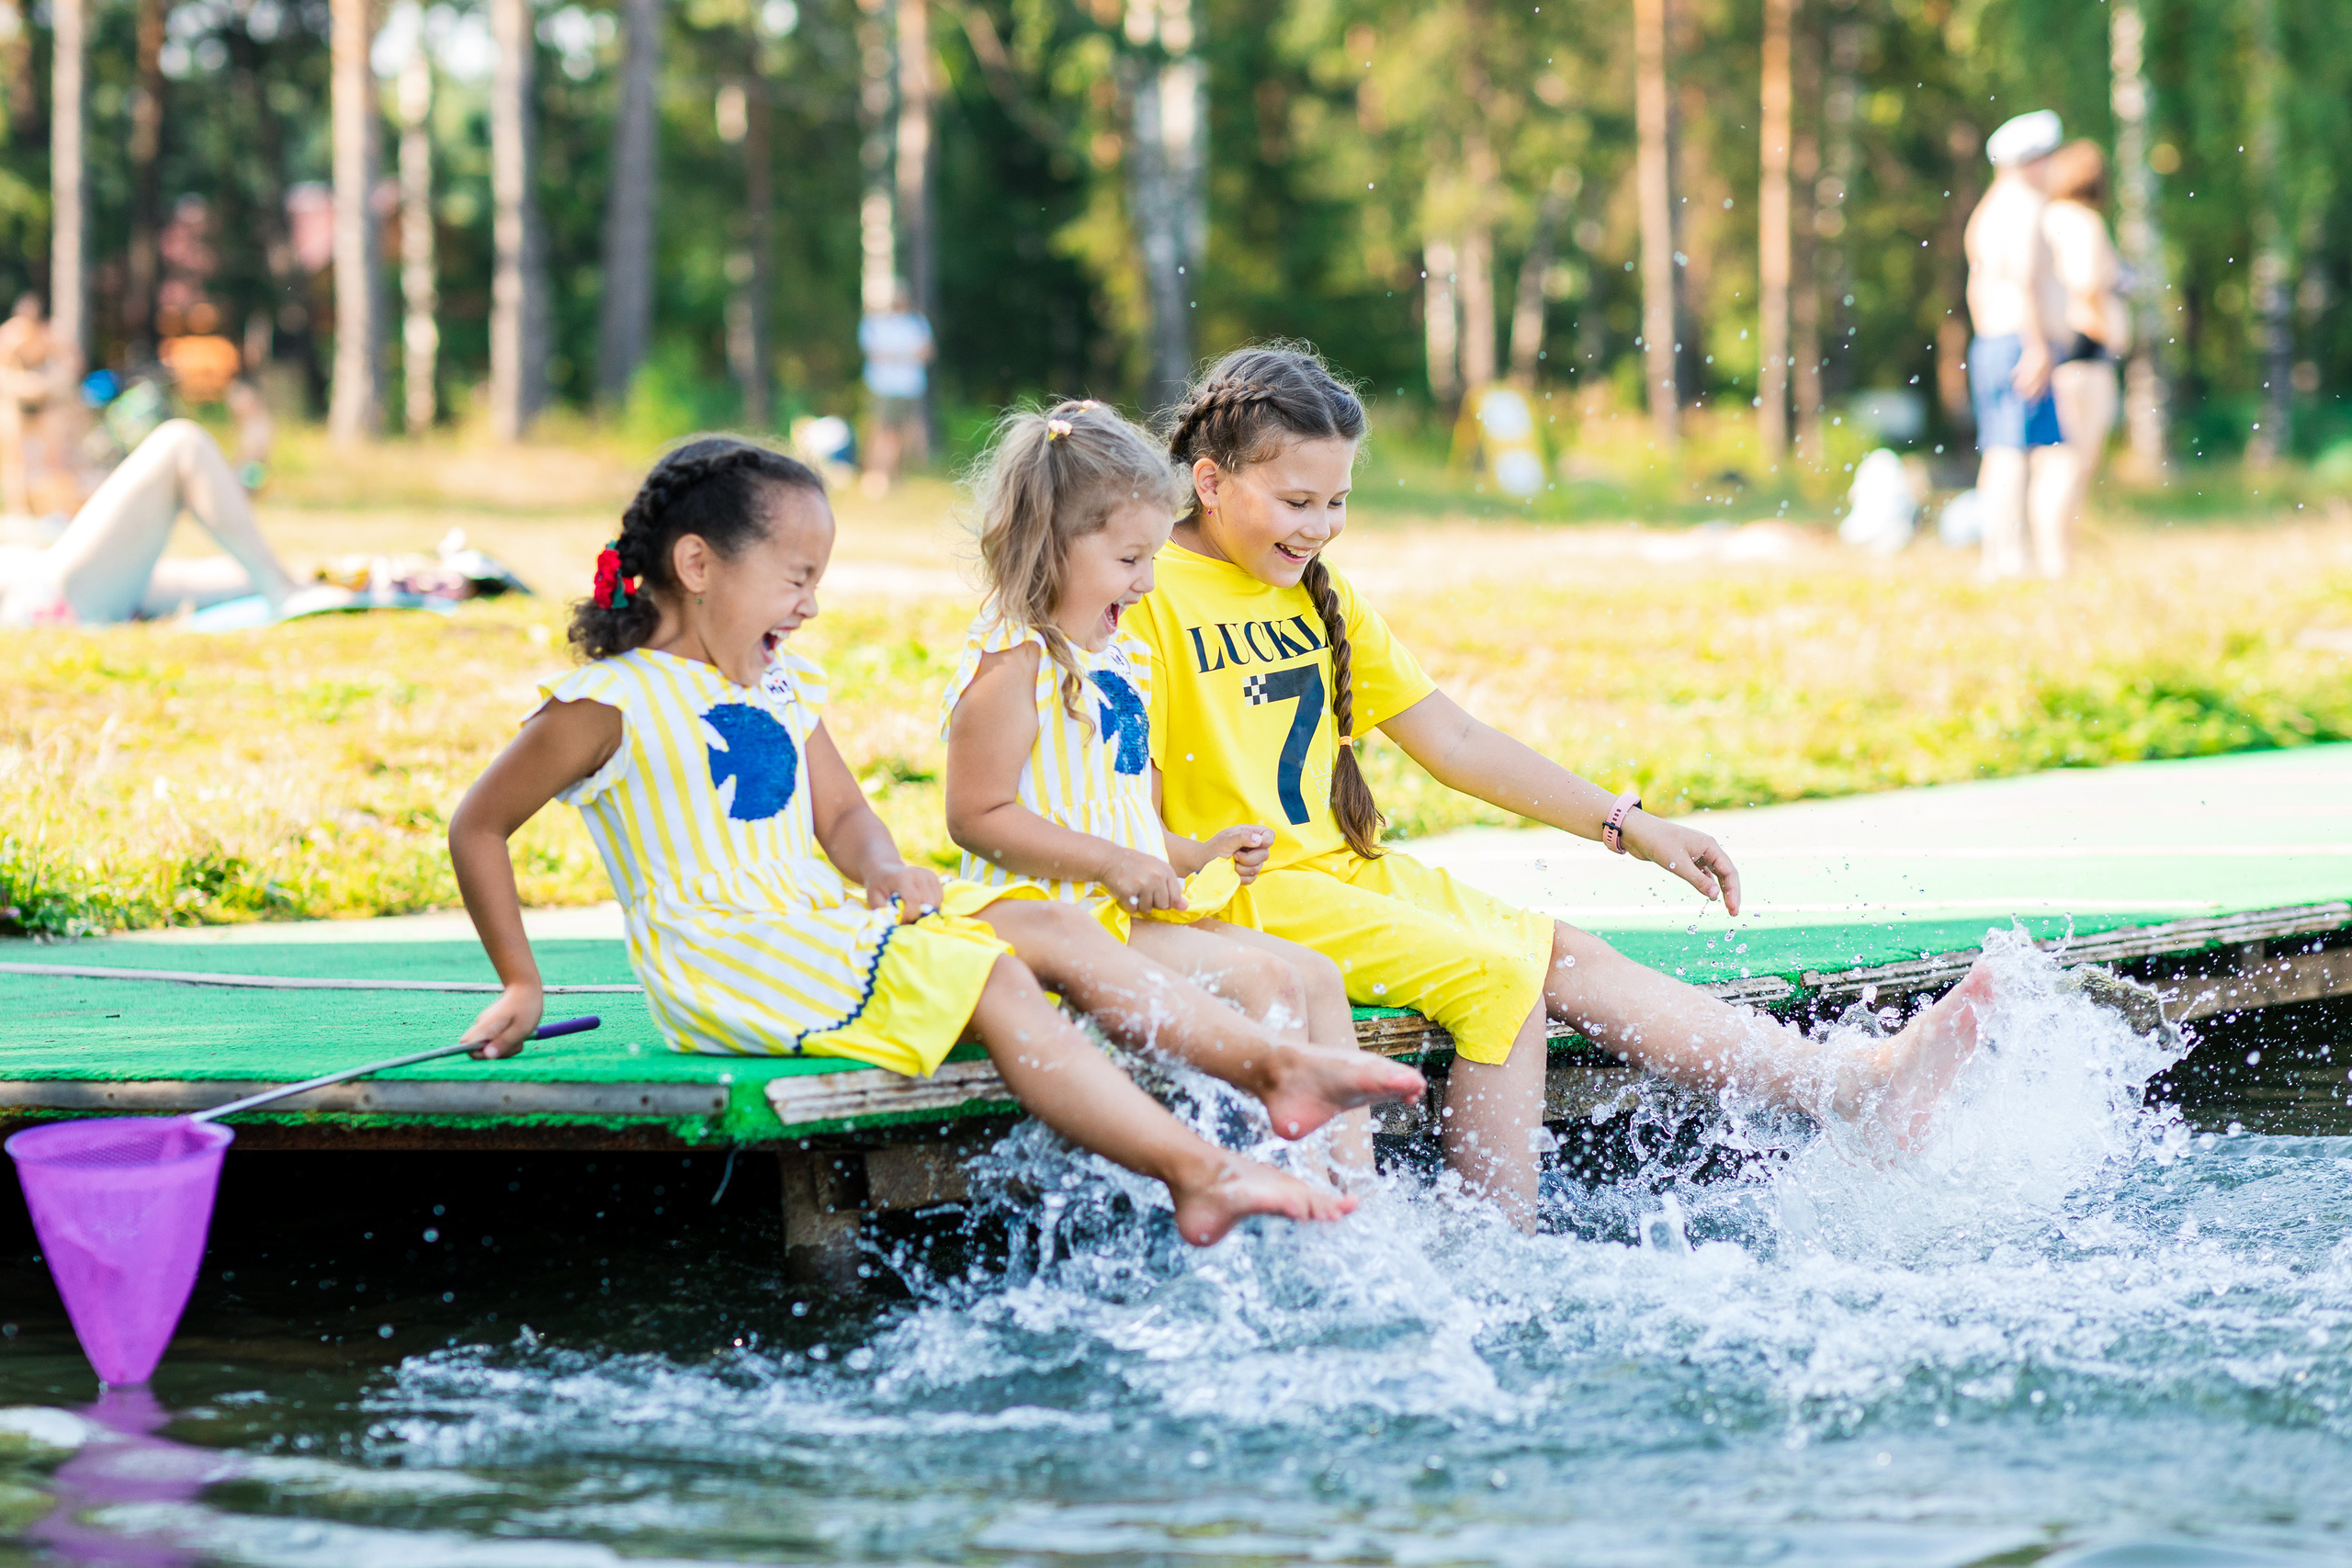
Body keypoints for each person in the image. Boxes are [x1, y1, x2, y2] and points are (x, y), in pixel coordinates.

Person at [1128, 343, 2002, 1227]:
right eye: (1296, 502)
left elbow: (1457, 740)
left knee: (1563, 953)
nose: (1318, 526)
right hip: (1233, 892)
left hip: (1335, 876)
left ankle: (1851, 1087)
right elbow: (1131, 802)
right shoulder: (1148, 591)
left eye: (1338, 502)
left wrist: (1630, 823)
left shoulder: (1315, 590)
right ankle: (1502, 1248)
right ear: (1209, 482)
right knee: (1496, 977)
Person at [447, 435, 1372, 1247]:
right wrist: (521, 983)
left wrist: (884, 867)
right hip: (727, 960)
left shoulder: (778, 685)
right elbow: (478, 825)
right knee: (999, 976)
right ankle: (1196, 1172)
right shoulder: (609, 704)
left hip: (815, 920)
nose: (810, 605)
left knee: (1047, 927)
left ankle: (1276, 1067)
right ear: (698, 564)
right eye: (796, 577)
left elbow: (844, 817)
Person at [942, 400, 1422, 1170]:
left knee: (1319, 978)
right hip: (1057, 920)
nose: (1148, 583)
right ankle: (1264, 1182)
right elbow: (975, 815)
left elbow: (1110, 809)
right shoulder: (1011, 667)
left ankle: (1354, 1203)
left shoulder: (1111, 657)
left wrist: (1193, 850)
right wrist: (1111, 865)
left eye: (1154, 559)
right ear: (1052, 546)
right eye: (1131, 561)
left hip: (1120, 908)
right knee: (1267, 979)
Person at [0, 416, 300, 626]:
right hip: (48, 598)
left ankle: (300, 581)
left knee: (236, 578)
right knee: (181, 442)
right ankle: (283, 591)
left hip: (44, 579)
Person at [1963, 109, 2074, 581]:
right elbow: (2026, 282)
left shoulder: (1989, 209)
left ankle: (2001, 553)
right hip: (2017, 342)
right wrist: (2038, 346)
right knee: (2013, 453)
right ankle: (2006, 558)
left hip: (1993, 340)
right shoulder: (2024, 209)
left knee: (2000, 450)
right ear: (2031, 162)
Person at [2041, 139, 2128, 575]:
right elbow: (2088, 282)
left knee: (2050, 459)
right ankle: (2059, 559)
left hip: (2055, 348)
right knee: (2075, 459)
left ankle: (2047, 554)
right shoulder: (2086, 224)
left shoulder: (2048, 219)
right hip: (2086, 352)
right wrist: (2108, 335)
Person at [857, 283, 933, 494]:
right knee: (881, 429)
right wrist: (906, 354)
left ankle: (894, 473)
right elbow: (875, 353)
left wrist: (896, 354)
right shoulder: (875, 323)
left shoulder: (916, 323)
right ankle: (874, 473)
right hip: (883, 385)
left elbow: (926, 351)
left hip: (908, 386)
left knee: (900, 432)